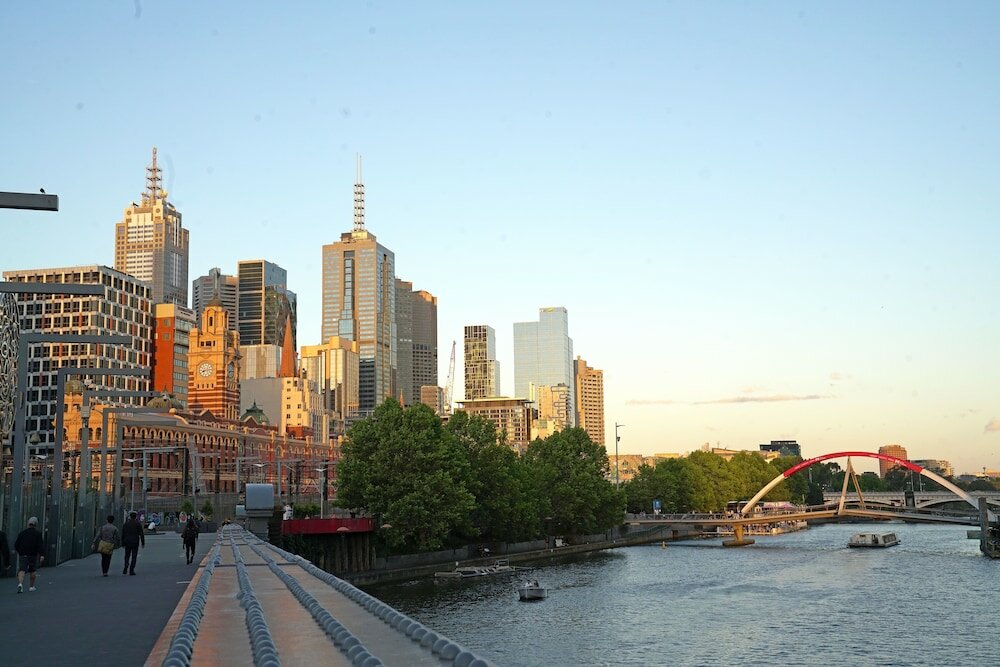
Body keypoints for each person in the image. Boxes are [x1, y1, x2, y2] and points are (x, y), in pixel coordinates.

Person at [14, 517, 45, 593]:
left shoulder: (22, 533)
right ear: (36, 525)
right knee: (32, 570)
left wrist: (20, 551)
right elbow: (40, 545)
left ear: (28, 524)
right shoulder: (38, 534)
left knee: (22, 570)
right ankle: (31, 586)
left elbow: (16, 544)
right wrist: (42, 555)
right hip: (33, 554)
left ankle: (20, 584)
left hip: (23, 554)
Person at [121, 511, 145, 576]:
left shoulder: (126, 524)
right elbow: (141, 534)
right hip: (135, 542)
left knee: (127, 555)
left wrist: (122, 543)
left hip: (127, 541)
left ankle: (126, 564)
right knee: (134, 556)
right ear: (136, 517)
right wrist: (143, 543)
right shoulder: (138, 524)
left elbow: (123, 534)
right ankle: (131, 570)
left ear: (130, 516)